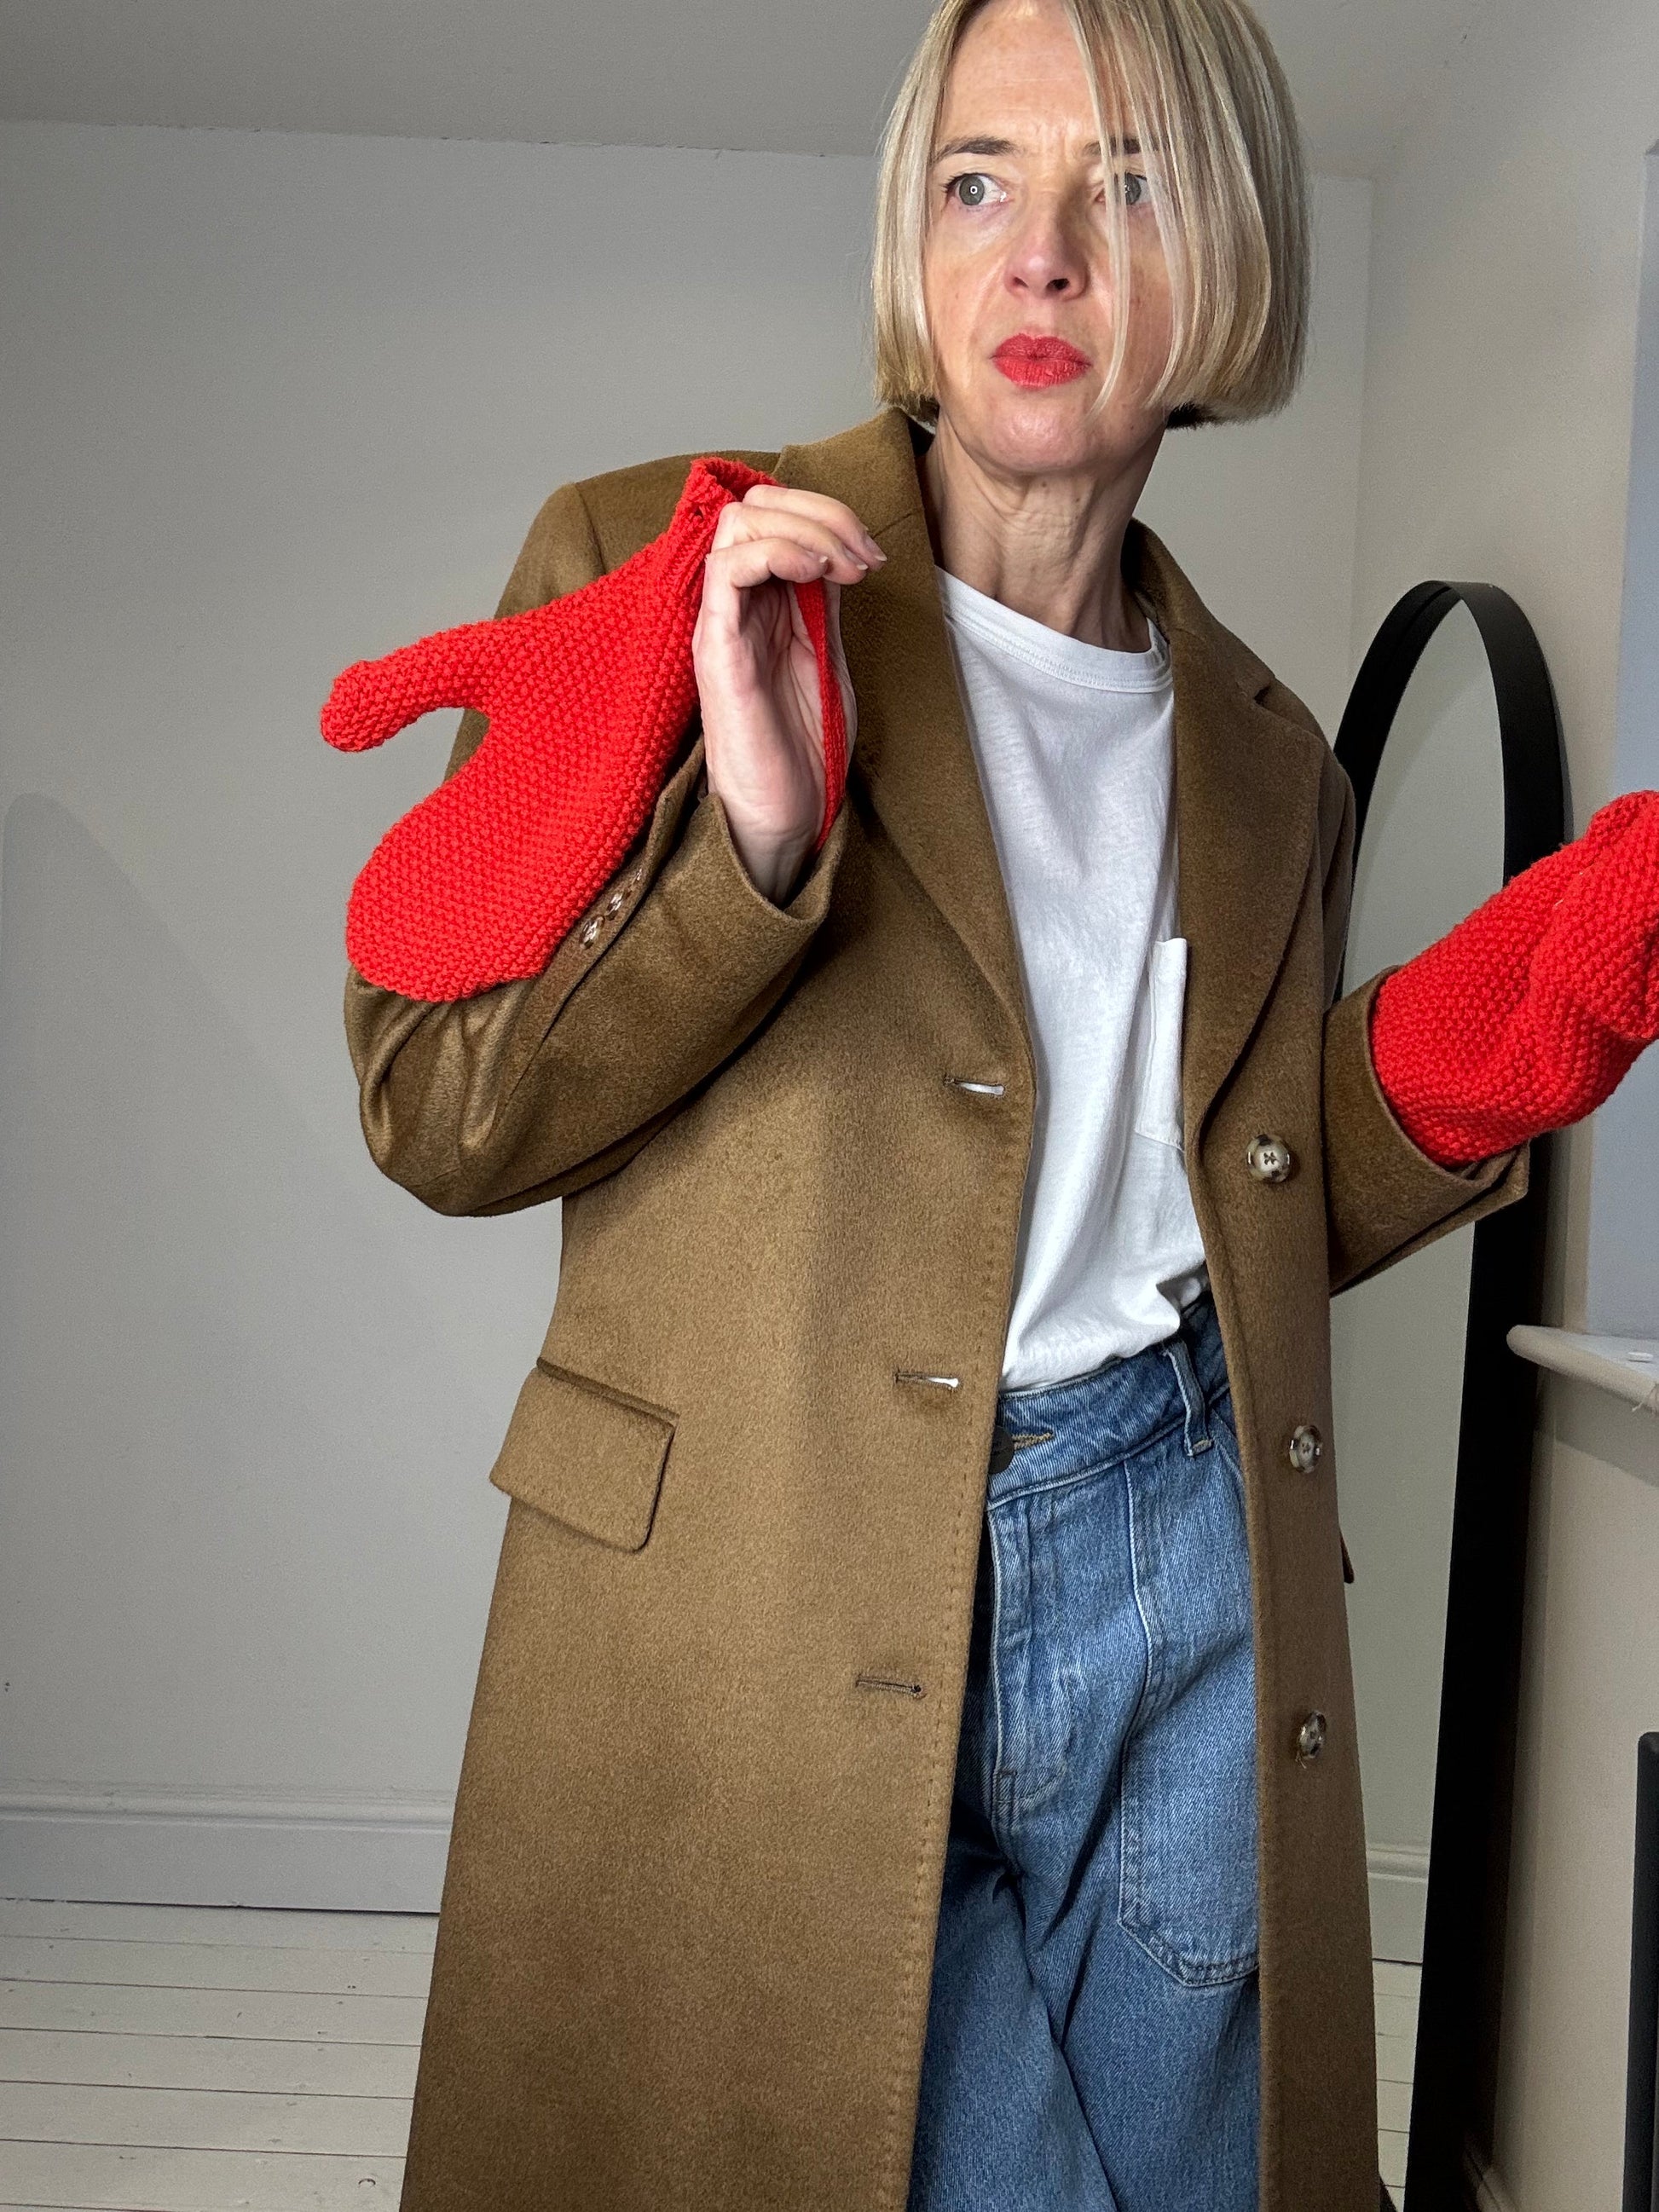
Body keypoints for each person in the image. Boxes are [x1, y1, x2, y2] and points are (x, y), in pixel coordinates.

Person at [340, 1, 1654, 2206]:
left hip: (1185, 1564)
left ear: (1226, 258)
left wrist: (1513, 1015)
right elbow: (438, 1112)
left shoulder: (1274, 763)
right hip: (762, 1580)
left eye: (1124, 182)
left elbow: (1232, 1190)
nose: (1038, 249)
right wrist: (748, 855)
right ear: (915, 236)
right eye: (979, 180)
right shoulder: (669, 567)